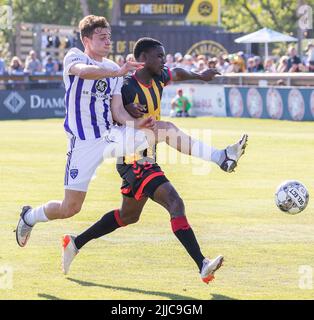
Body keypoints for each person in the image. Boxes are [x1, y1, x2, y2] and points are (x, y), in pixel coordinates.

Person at [61, 37, 248, 284]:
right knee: (175, 202)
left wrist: (200, 75)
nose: (164, 60)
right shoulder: (126, 85)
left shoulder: (159, 76)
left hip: (148, 153)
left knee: (128, 216)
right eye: (159, 56)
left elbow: (178, 72)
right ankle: (202, 264)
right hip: (133, 157)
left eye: (164, 56)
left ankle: (75, 243)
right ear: (143, 60)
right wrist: (128, 109)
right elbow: (110, 114)